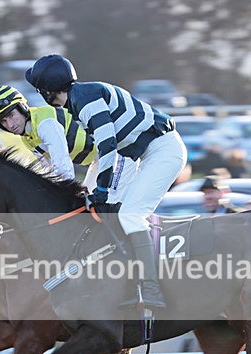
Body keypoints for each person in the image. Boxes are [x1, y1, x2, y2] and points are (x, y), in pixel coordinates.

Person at [25, 54, 187, 309]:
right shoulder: (80, 99)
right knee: (112, 212)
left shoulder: (85, 99)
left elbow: (107, 144)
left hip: (163, 151)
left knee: (131, 216)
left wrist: (102, 187)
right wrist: (101, 192)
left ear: (47, 91)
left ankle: (152, 288)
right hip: (148, 152)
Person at [0, 84, 135, 202]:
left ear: (22, 107)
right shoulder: (27, 137)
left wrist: (65, 196)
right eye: (3, 121)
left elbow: (62, 164)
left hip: (118, 153)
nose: (10, 125)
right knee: (88, 207)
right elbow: (48, 172)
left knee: (109, 204)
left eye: (11, 115)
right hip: (98, 160)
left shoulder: (45, 124)